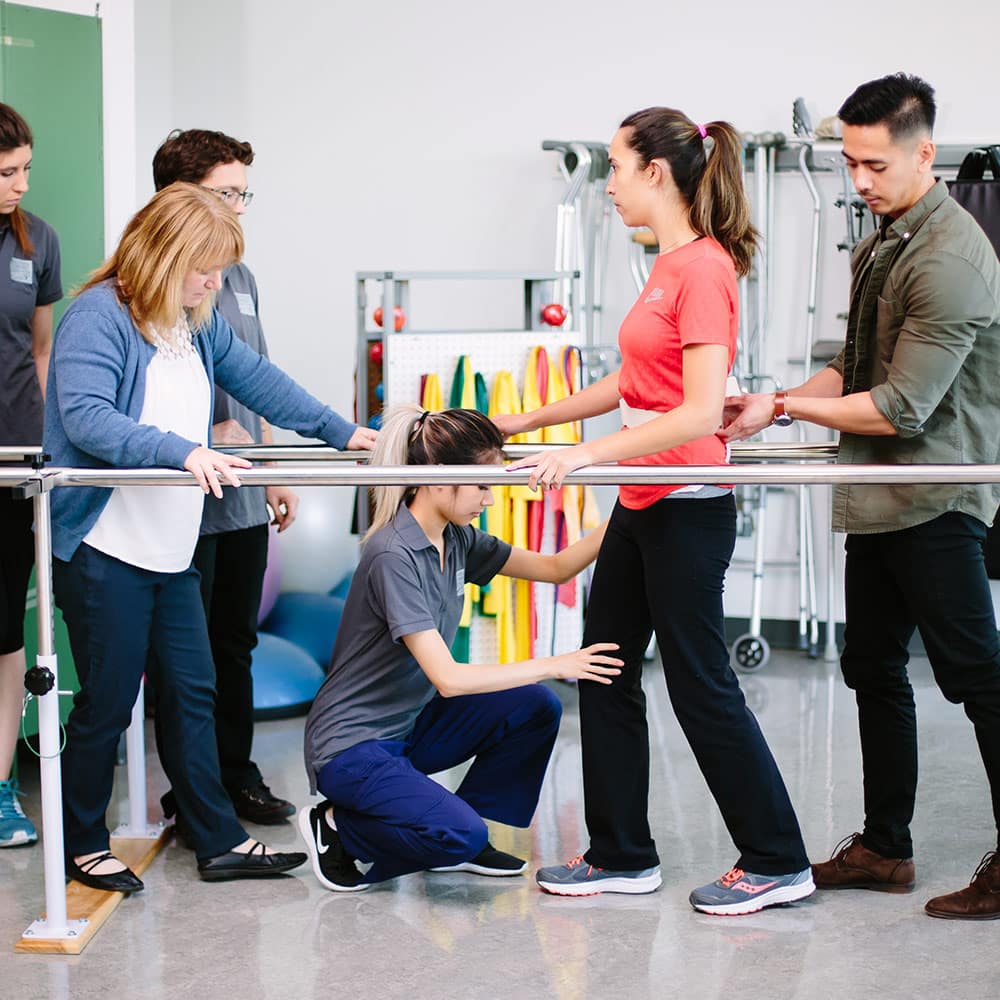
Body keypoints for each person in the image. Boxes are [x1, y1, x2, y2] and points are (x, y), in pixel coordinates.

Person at [497, 107, 814, 915]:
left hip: (687, 504)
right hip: (645, 499)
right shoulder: (667, 265)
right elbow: (636, 385)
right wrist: (528, 423)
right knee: (603, 671)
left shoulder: (703, 269)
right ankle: (620, 854)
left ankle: (777, 858)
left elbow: (703, 411)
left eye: (615, 166)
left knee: (700, 685)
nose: (608, 184)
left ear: (656, 174)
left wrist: (589, 455)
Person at [721, 73, 1000, 920]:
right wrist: (772, 402)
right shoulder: (885, 238)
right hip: (879, 496)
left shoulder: (951, 258)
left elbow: (901, 406)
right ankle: (886, 848)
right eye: (850, 162)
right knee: (871, 665)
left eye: (875, 164)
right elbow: (857, 368)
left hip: (936, 495)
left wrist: (787, 408)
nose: (861, 180)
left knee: (980, 683)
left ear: (924, 153)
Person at [44, 182, 370, 891]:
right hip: (105, 551)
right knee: (108, 701)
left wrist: (345, 434)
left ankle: (216, 836)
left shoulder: (195, 321)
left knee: (194, 690)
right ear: (167, 257)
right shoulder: (97, 318)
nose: (215, 283)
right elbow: (87, 416)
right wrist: (183, 450)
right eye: (206, 267)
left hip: (168, 549)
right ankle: (82, 843)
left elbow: (262, 382)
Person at [299, 405, 621, 891]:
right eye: (482, 486)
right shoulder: (393, 554)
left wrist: (633, 504)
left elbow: (556, 568)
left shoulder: (457, 540)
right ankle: (341, 830)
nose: (490, 499)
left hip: (408, 725)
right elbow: (448, 679)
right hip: (352, 746)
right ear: (436, 479)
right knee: (457, 834)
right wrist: (555, 662)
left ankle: (459, 836)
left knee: (534, 707)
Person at [150, 129, 355, 829]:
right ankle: (194, 795)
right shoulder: (150, 280)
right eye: (225, 193)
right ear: (180, 197)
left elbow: (255, 378)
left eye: (243, 194)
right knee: (190, 657)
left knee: (234, 647)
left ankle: (236, 779)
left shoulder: (238, 274)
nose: (239, 207)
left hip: (241, 492)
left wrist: (271, 467)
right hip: (182, 495)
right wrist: (202, 439)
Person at [0, 103, 62, 849]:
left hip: (14, 463)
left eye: (24, 171)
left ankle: (1, 791)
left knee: (4, 636)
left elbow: (40, 351)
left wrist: (42, 441)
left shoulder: (35, 238)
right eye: (5, 173)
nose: (19, 185)